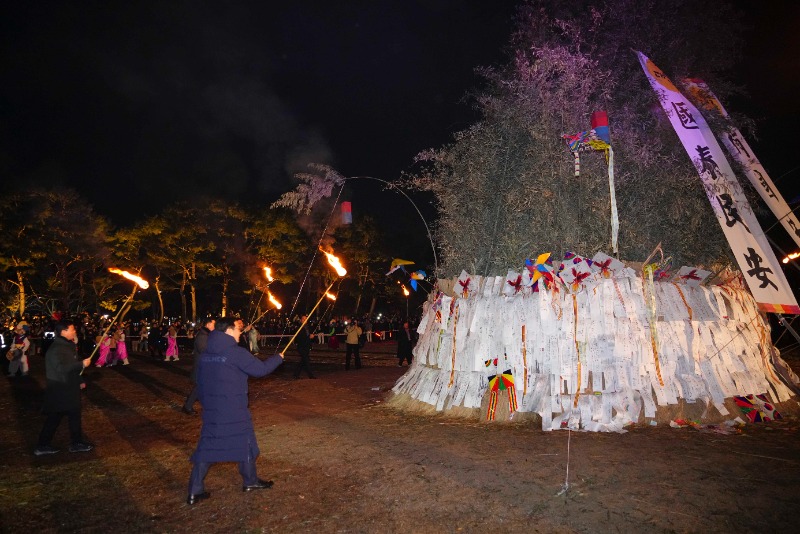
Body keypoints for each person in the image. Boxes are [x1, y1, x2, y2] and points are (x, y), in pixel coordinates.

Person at [186, 317, 284, 505]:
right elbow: (261, 369)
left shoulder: (206, 355)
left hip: (213, 411)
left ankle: (194, 491)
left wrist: (207, 404)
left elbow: (200, 383)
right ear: (229, 330)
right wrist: (278, 359)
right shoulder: (236, 353)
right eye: (238, 329)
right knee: (245, 442)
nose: (240, 332)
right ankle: (250, 481)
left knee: (208, 448)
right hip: (234, 410)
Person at [34, 320, 93, 456]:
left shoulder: (67, 346)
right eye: (72, 329)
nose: (75, 332)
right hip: (60, 389)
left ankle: (76, 443)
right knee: (54, 417)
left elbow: (71, 366)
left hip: (69, 388)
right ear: (63, 331)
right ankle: (42, 445)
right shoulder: (56, 349)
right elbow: (61, 369)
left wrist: (79, 380)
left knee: (74, 415)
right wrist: (81, 364)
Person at [182, 316, 215, 415]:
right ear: (208, 324)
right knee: (199, 387)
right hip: (202, 366)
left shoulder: (207, 335)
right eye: (213, 324)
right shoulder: (202, 336)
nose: (215, 326)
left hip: (205, 366)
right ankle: (188, 406)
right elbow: (204, 351)